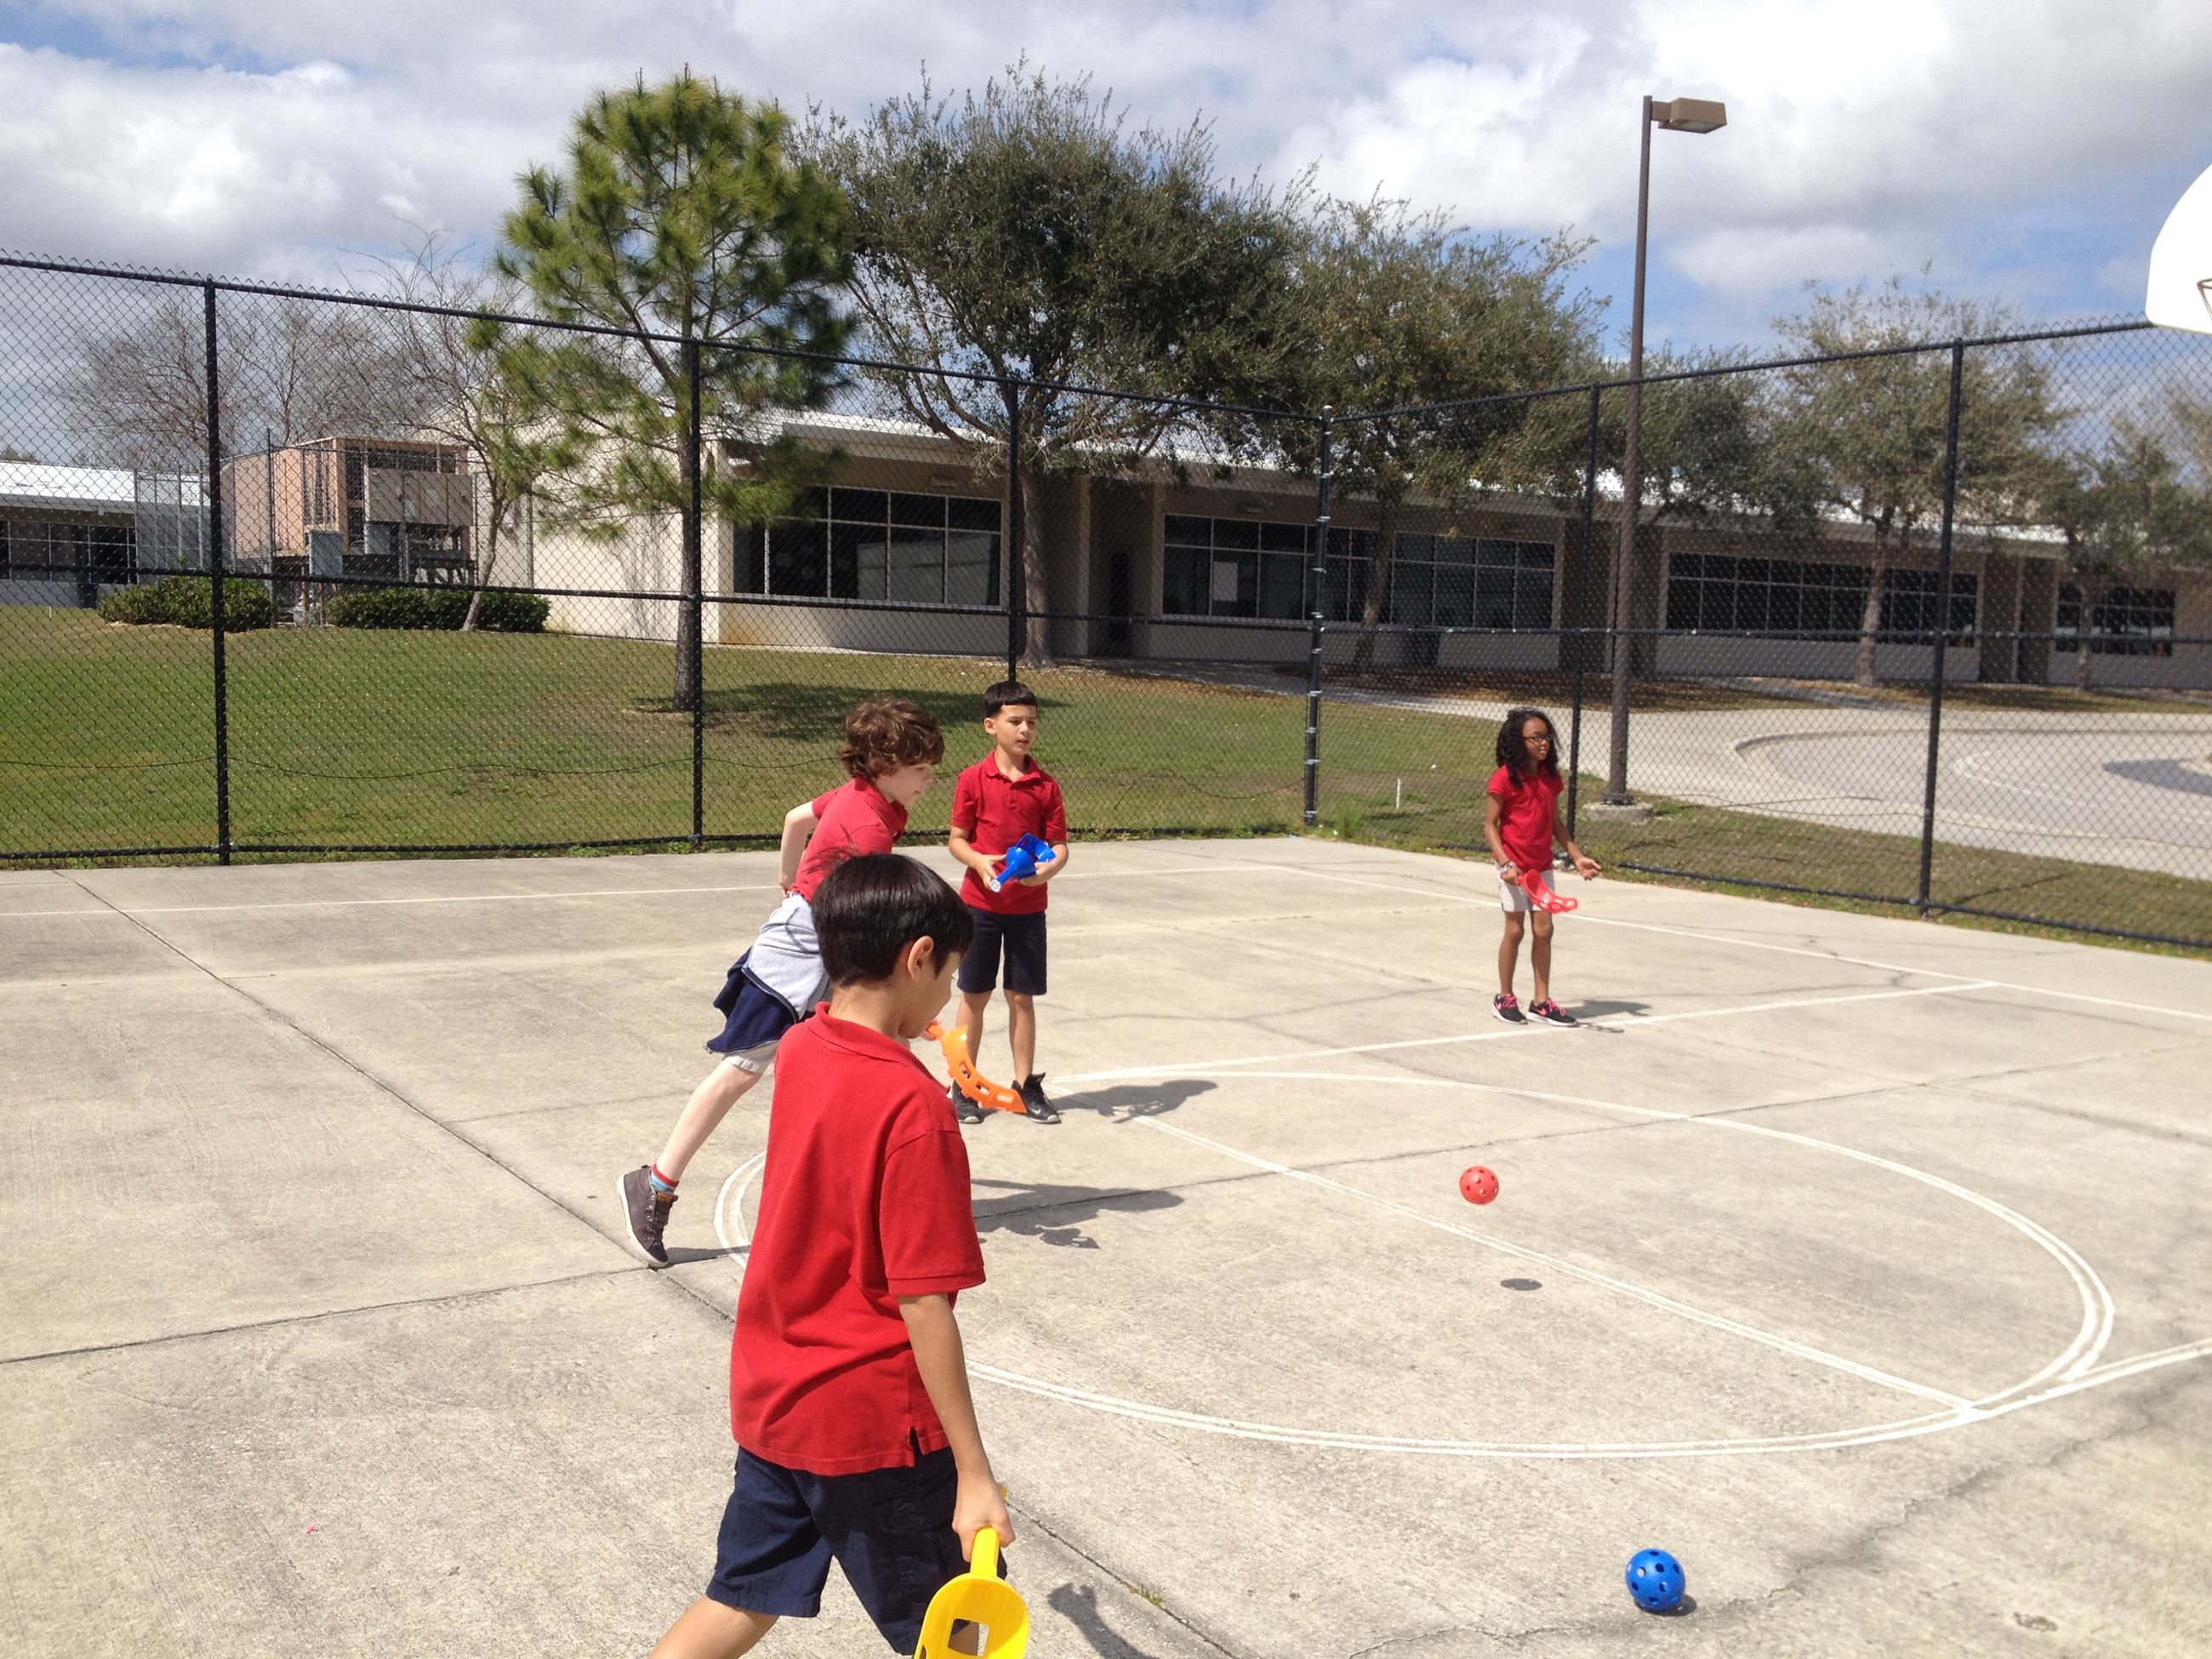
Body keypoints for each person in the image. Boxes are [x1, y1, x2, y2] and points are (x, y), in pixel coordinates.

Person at [649, 852, 1012, 1659]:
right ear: (918, 957)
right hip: (871, 1423)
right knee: (957, 1633)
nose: (949, 996)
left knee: (740, 1597)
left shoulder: (807, 1044)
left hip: (777, 1394)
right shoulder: (914, 1110)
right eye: (948, 974)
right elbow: (925, 1305)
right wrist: (973, 1470)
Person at [619, 698, 945, 1265]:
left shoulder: (867, 799)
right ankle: (655, 1185)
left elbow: (797, 818)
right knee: (741, 1071)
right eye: (920, 770)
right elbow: (867, 913)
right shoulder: (869, 824)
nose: (929, 780)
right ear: (885, 765)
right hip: (803, 949)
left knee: (865, 1057)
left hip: (827, 936)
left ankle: (864, 1188)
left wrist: (786, 874)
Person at [944, 680, 1069, 1125]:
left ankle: (1026, 1086)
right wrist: (978, 861)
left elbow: (1058, 846)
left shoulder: (1046, 786)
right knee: (974, 994)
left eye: (1032, 722)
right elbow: (957, 840)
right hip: (980, 906)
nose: (1025, 730)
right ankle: (963, 1083)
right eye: (1015, 721)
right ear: (990, 725)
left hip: (1028, 912)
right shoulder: (972, 779)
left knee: (1022, 996)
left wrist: (1047, 871)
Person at [1483, 706, 1600, 1027]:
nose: (1544, 743)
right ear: (1518, 741)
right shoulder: (1505, 778)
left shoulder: (1550, 778)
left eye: (1547, 736)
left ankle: (1541, 1002)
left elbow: (1555, 822)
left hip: (1541, 868)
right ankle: (1504, 997)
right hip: (1513, 869)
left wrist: (1576, 856)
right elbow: (1490, 826)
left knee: (1544, 930)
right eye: (1536, 737)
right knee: (1516, 929)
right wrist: (1505, 863)